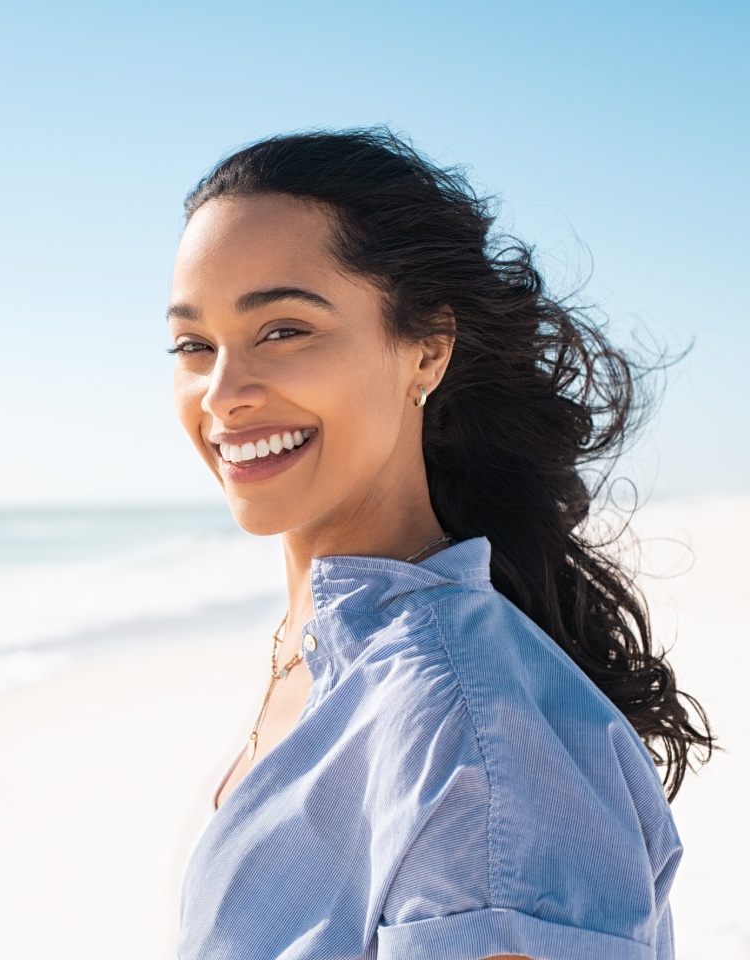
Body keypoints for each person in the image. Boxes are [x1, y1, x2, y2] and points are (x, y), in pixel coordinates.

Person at [166, 129, 713, 960]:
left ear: (427, 347)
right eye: (193, 345)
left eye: (284, 330)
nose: (224, 393)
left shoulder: (471, 733)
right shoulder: (326, 649)